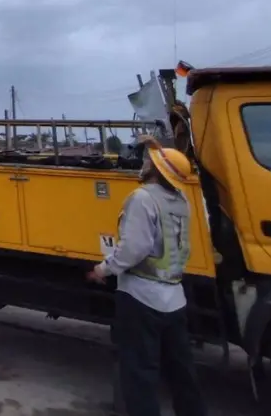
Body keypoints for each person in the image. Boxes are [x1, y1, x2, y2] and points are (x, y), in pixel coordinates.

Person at [87, 137, 206, 416]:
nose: (144, 164)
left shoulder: (142, 198)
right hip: (174, 298)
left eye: (148, 161)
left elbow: (133, 249)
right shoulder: (181, 200)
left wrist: (102, 270)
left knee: (140, 373)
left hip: (142, 298)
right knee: (181, 371)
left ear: (156, 170)